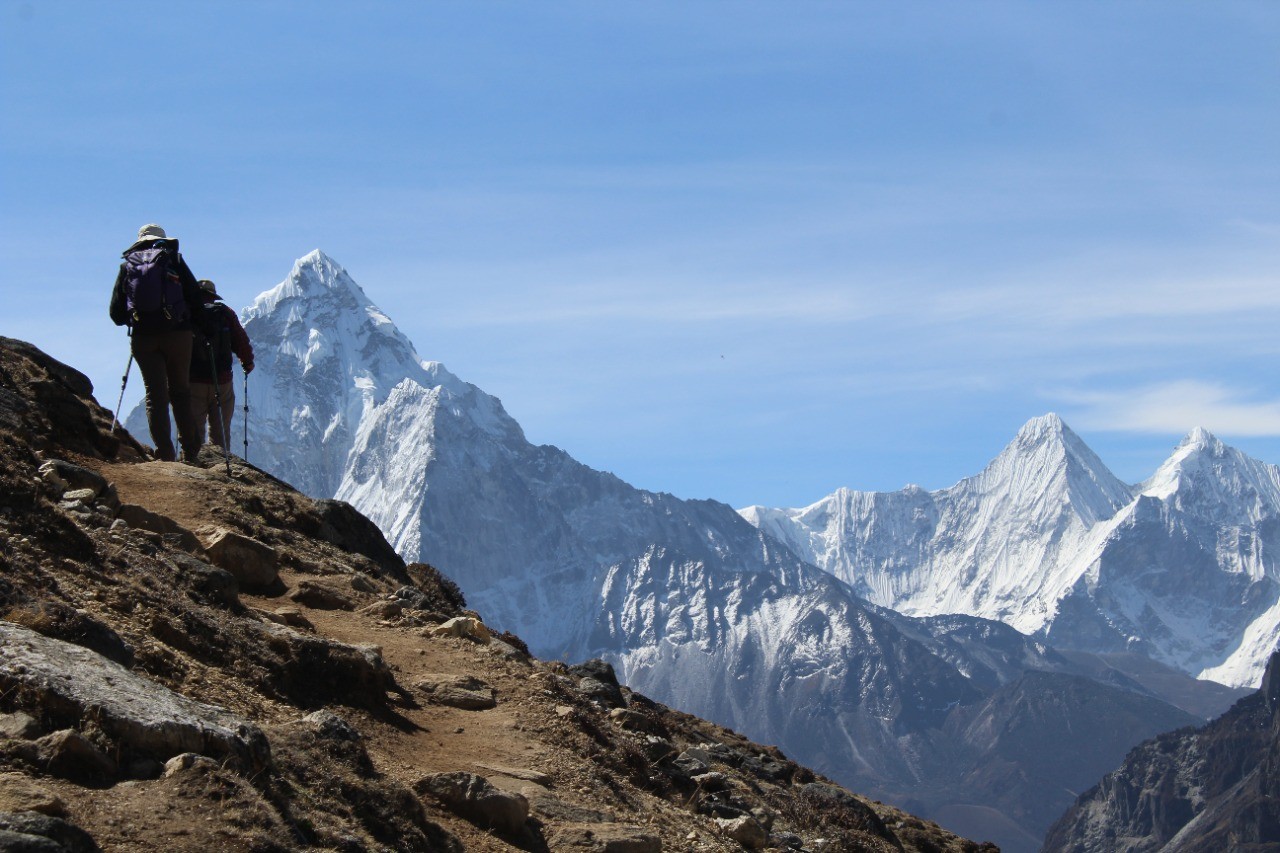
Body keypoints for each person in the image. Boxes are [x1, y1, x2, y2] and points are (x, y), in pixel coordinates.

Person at [108, 224, 204, 463]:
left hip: (144, 339)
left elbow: (116, 313)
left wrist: (137, 318)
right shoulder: (175, 261)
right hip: (178, 335)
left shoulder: (127, 266)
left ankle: (164, 453)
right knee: (180, 392)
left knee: (155, 395)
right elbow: (194, 297)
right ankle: (191, 452)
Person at [189, 279, 254, 449]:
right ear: (213, 296)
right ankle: (220, 465)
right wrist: (247, 363)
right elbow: (241, 340)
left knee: (193, 429)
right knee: (220, 431)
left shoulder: (187, 312)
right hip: (222, 380)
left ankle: (193, 463)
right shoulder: (225, 313)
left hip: (194, 380)